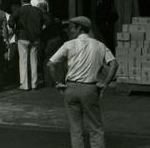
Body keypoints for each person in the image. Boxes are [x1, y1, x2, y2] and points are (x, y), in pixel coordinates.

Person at [48, 16, 118, 148]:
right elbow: (114, 64)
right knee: (95, 127)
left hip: (71, 88)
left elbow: (51, 64)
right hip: (90, 89)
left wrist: (58, 82)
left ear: (79, 28)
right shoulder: (99, 45)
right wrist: (105, 83)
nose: (70, 31)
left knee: (75, 129)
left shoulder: (69, 45)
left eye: (72, 28)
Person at [9, 0, 50, 90]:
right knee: (34, 60)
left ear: (21, 1)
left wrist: (15, 30)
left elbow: (10, 22)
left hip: (22, 37)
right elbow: (48, 20)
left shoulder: (19, 10)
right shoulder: (37, 10)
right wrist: (41, 28)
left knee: (23, 61)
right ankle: (34, 83)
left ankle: (24, 84)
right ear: (30, 1)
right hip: (35, 37)